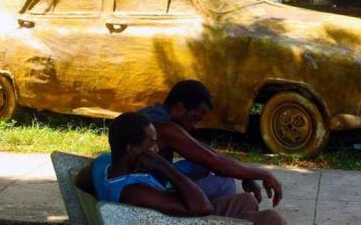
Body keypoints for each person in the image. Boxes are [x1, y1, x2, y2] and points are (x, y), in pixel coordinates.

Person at [78, 112, 286, 224]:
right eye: (151, 143)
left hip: (175, 211)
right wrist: (163, 165)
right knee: (272, 220)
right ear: (131, 148)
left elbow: (80, 180)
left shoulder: (103, 164)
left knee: (246, 200)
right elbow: (202, 208)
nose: (156, 147)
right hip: (185, 219)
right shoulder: (134, 192)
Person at [139, 80, 283, 207]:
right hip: (142, 194)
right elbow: (220, 165)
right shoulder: (165, 128)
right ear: (179, 108)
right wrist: (265, 174)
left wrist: (246, 174)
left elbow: (209, 153)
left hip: (141, 183)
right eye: (195, 118)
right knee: (224, 183)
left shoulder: (152, 113)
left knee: (200, 165)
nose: (195, 127)